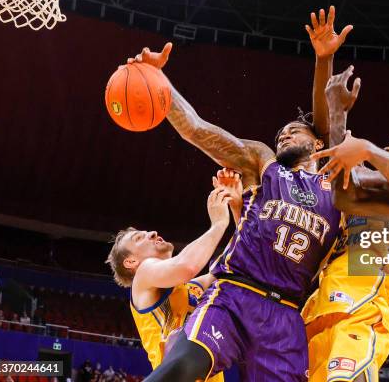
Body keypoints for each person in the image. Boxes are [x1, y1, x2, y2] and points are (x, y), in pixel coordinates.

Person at [127, 38, 344, 381]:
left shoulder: (340, 188)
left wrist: (325, 61)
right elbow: (197, 130)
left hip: (286, 316)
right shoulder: (264, 163)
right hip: (234, 295)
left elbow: (338, 130)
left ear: (318, 143)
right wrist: (158, 82)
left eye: (294, 132)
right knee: (181, 366)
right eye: (281, 134)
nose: (283, 136)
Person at [303, 66, 389, 381]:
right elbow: (342, 185)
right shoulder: (358, 195)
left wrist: (363, 145)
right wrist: (336, 108)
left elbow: (371, 185)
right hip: (317, 312)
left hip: (361, 313)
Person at [106, 169, 240, 381]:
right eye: (140, 238)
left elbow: (236, 264)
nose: (152, 233)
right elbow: (186, 266)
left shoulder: (191, 288)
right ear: (131, 262)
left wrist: (237, 205)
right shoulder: (143, 276)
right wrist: (219, 224)